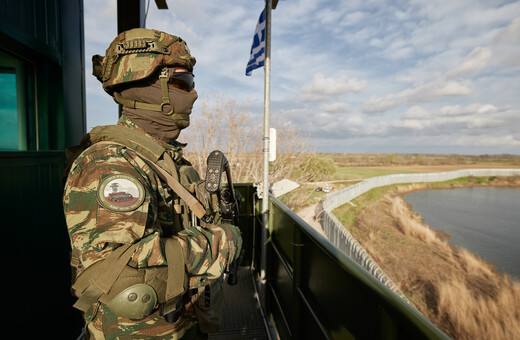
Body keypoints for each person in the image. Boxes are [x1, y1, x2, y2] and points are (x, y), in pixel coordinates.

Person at [63, 28, 242, 339]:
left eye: (192, 83)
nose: (194, 93)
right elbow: (120, 275)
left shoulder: (157, 157)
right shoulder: (112, 163)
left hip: (179, 323)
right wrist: (221, 242)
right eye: (182, 83)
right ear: (145, 86)